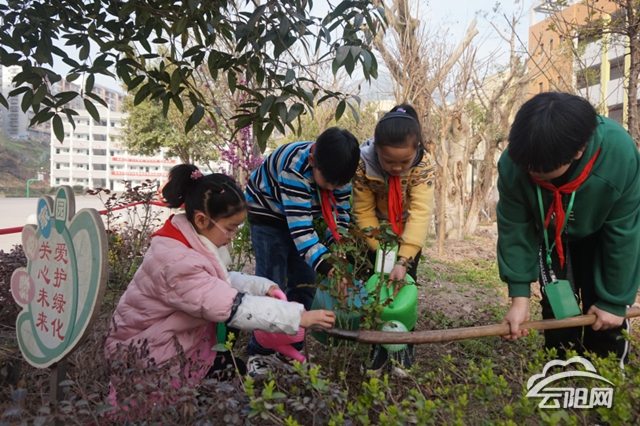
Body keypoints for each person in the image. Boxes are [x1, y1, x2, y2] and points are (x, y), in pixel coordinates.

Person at [104, 164, 336, 405]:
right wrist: (298, 317)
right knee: (167, 404)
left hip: (162, 338)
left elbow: (217, 281)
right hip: (147, 354)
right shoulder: (177, 263)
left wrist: (262, 287)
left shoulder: (187, 240)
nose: (233, 235)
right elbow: (233, 307)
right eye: (230, 228)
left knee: (231, 371)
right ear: (202, 220)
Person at [497, 92, 640, 365]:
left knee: (604, 316)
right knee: (559, 310)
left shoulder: (619, 154)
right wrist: (519, 298)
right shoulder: (515, 163)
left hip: (603, 234)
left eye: (539, 172)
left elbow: (625, 233)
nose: (531, 175)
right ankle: (562, 369)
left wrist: (614, 300)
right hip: (551, 237)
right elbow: (515, 229)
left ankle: (606, 373)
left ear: (578, 150)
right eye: (527, 169)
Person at [244, 126, 360, 377]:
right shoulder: (294, 170)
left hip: (301, 216)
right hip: (267, 211)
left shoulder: (338, 171)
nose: (333, 189)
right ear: (312, 161)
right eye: (328, 183)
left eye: (339, 184)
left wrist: (338, 252)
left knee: (305, 282)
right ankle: (260, 351)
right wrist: (330, 268)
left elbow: (339, 215)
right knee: (271, 284)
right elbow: (302, 233)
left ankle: (292, 346)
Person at [352, 104, 436, 377]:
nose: (397, 167)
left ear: (417, 150)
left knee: (403, 291)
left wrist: (403, 258)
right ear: (377, 148)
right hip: (376, 235)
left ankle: (403, 347)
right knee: (375, 289)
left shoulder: (423, 165)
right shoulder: (363, 164)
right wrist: (384, 253)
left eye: (404, 161)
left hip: (408, 233)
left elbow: (420, 212)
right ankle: (377, 347)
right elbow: (363, 211)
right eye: (389, 162)